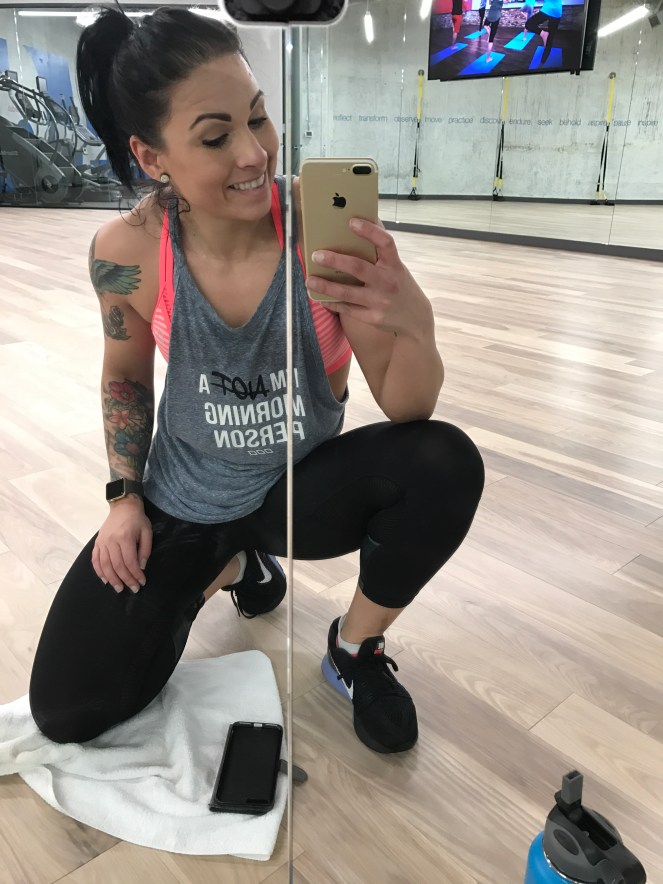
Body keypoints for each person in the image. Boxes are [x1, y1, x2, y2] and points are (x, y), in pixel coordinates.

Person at [27, 7, 485, 756]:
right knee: (68, 708)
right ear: (151, 155)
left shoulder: (321, 229)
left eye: (258, 118)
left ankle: (354, 648)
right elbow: (124, 377)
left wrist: (414, 319)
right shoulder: (127, 251)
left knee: (444, 460)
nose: (254, 152)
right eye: (216, 137)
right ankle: (231, 564)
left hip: (301, 492)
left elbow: (410, 406)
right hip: (187, 498)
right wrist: (124, 498)